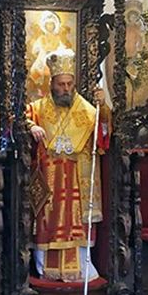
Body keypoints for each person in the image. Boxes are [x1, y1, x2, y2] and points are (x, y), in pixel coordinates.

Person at [27, 49, 107, 282]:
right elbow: (18, 120)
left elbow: (103, 136)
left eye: (70, 84)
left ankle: (81, 269)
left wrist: (104, 108)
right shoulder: (38, 108)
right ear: (52, 83)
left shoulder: (88, 111)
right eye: (61, 84)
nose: (66, 89)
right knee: (47, 222)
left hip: (78, 179)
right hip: (49, 178)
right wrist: (31, 126)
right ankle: (45, 269)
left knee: (77, 223)